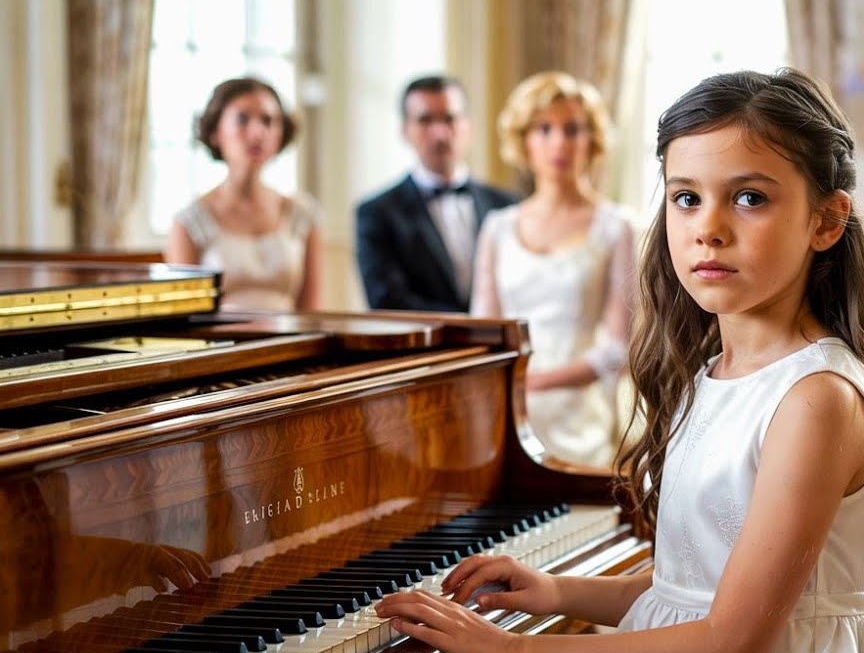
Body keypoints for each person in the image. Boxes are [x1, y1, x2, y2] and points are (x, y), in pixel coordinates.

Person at [373, 68, 864, 653]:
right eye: (686, 197)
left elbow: (728, 648)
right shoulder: (712, 371)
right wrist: (558, 592)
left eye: (749, 198)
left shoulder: (814, 399)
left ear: (826, 221)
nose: (708, 228)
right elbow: (689, 590)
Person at [469, 72, 635, 468]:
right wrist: (510, 390)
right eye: (544, 129)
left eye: (572, 129)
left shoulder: (615, 226)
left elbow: (620, 349)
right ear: (523, 140)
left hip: (580, 417)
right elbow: (482, 331)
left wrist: (536, 384)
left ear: (591, 140)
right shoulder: (498, 226)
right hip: (503, 410)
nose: (559, 142)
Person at [356, 75, 518, 312]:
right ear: (405, 131)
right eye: (425, 120)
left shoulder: (507, 205)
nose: (440, 134)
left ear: (468, 126)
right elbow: (386, 300)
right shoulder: (376, 213)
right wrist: (473, 326)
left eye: (449, 118)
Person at [167, 77, 323, 312]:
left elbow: (312, 311)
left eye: (268, 121)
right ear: (215, 132)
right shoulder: (189, 222)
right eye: (242, 119)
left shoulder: (302, 215)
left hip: (294, 344)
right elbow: (183, 316)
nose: (258, 132)